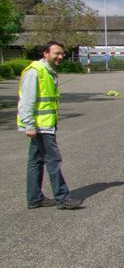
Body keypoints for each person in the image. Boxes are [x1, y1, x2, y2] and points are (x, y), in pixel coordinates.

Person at [17, 41, 83, 210]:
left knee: (36, 161)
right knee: (53, 160)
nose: (60, 57)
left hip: (44, 125)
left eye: (62, 54)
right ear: (46, 53)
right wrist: (30, 125)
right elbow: (26, 102)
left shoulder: (47, 71)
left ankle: (34, 198)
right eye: (57, 53)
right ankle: (62, 198)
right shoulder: (35, 72)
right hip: (40, 127)